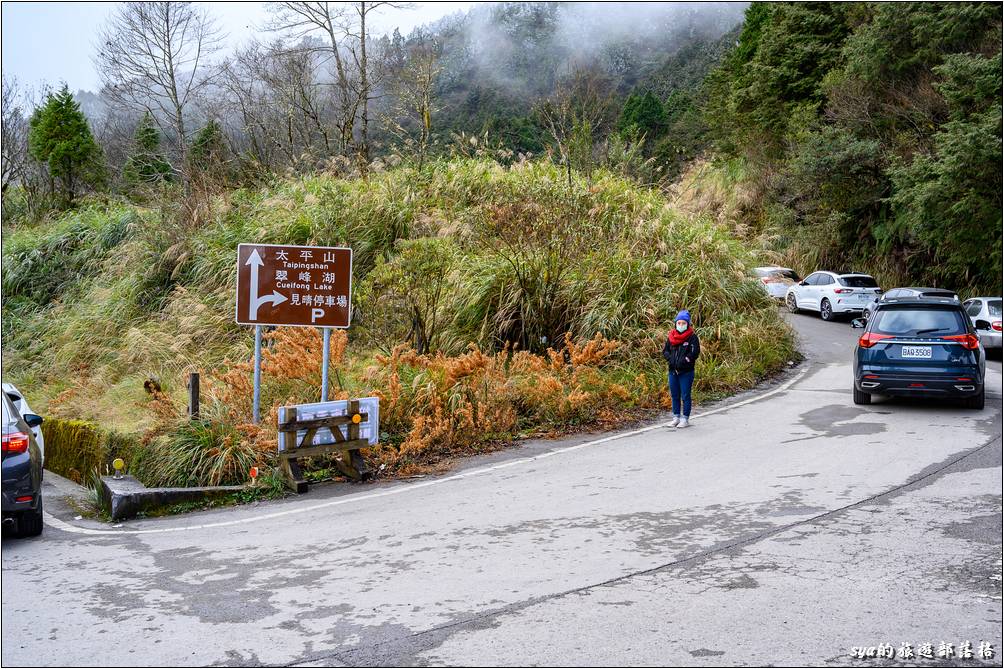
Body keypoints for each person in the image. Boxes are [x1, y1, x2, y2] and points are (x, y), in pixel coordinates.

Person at [662, 309, 700, 429]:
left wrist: (684, 361)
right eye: (679, 323)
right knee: (674, 395)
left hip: (686, 372)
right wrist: (670, 359)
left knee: (685, 395)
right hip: (673, 371)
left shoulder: (692, 337)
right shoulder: (671, 336)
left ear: (687, 324)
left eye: (684, 323)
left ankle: (685, 418)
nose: (681, 325)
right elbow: (665, 351)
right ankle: (676, 417)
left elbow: (694, 353)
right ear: (676, 323)